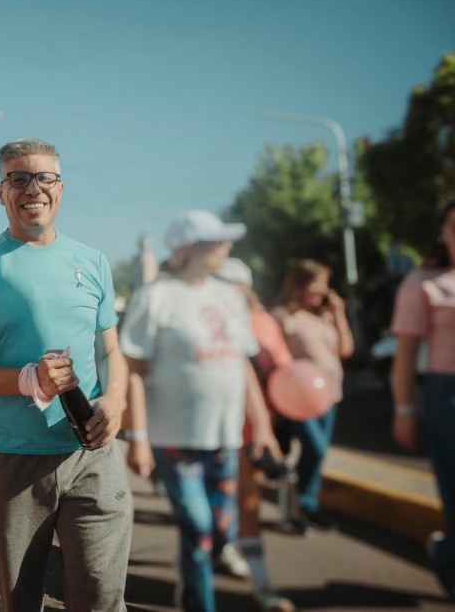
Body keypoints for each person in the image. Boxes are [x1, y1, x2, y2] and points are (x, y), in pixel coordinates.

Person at [0, 138, 133, 612]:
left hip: (91, 454)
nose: (33, 188)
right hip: (11, 456)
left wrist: (116, 400)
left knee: (102, 598)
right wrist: (29, 380)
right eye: (18, 178)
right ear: (1, 191)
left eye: (45, 177)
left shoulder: (93, 262)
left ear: (61, 188)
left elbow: (110, 349)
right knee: (22, 601)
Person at [120, 210, 281, 612]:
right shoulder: (154, 297)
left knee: (220, 530)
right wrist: (137, 438)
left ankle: (195, 582)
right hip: (174, 438)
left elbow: (243, 364)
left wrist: (261, 426)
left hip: (225, 438)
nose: (227, 248)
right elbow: (134, 372)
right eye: (219, 242)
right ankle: (199, 603)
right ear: (191, 249)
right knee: (199, 527)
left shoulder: (229, 296)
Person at [214, 258, 295, 612]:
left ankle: (262, 585)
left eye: (230, 284)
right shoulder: (204, 318)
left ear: (245, 287)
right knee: (212, 505)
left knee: (247, 503)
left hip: (248, 429)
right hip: (208, 429)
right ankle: (218, 555)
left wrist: (267, 424)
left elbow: (286, 374)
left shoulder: (262, 323)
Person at [391, 201, 455, 600]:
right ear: (444, 234)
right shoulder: (424, 283)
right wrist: (404, 409)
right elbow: (405, 356)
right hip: (447, 395)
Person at [272, 259, 354, 531]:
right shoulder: (284, 316)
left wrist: (339, 313)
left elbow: (345, 349)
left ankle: (307, 505)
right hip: (300, 397)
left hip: (331, 395)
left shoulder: (325, 316)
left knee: (317, 453)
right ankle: (302, 504)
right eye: (318, 283)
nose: (324, 290)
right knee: (315, 449)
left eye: (326, 285)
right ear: (301, 285)